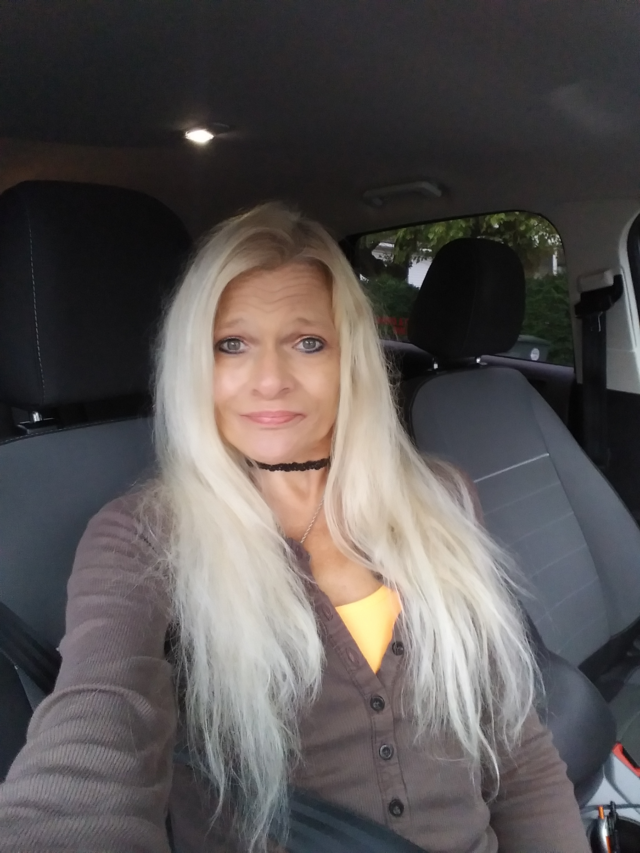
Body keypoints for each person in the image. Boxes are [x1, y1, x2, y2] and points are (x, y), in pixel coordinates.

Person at [0, 203, 588, 853]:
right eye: (232, 344)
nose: (270, 381)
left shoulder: (440, 500)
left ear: (349, 359)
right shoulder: (142, 537)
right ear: (195, 365)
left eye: (308, 343)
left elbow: (518, 756)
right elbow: (98, 725)